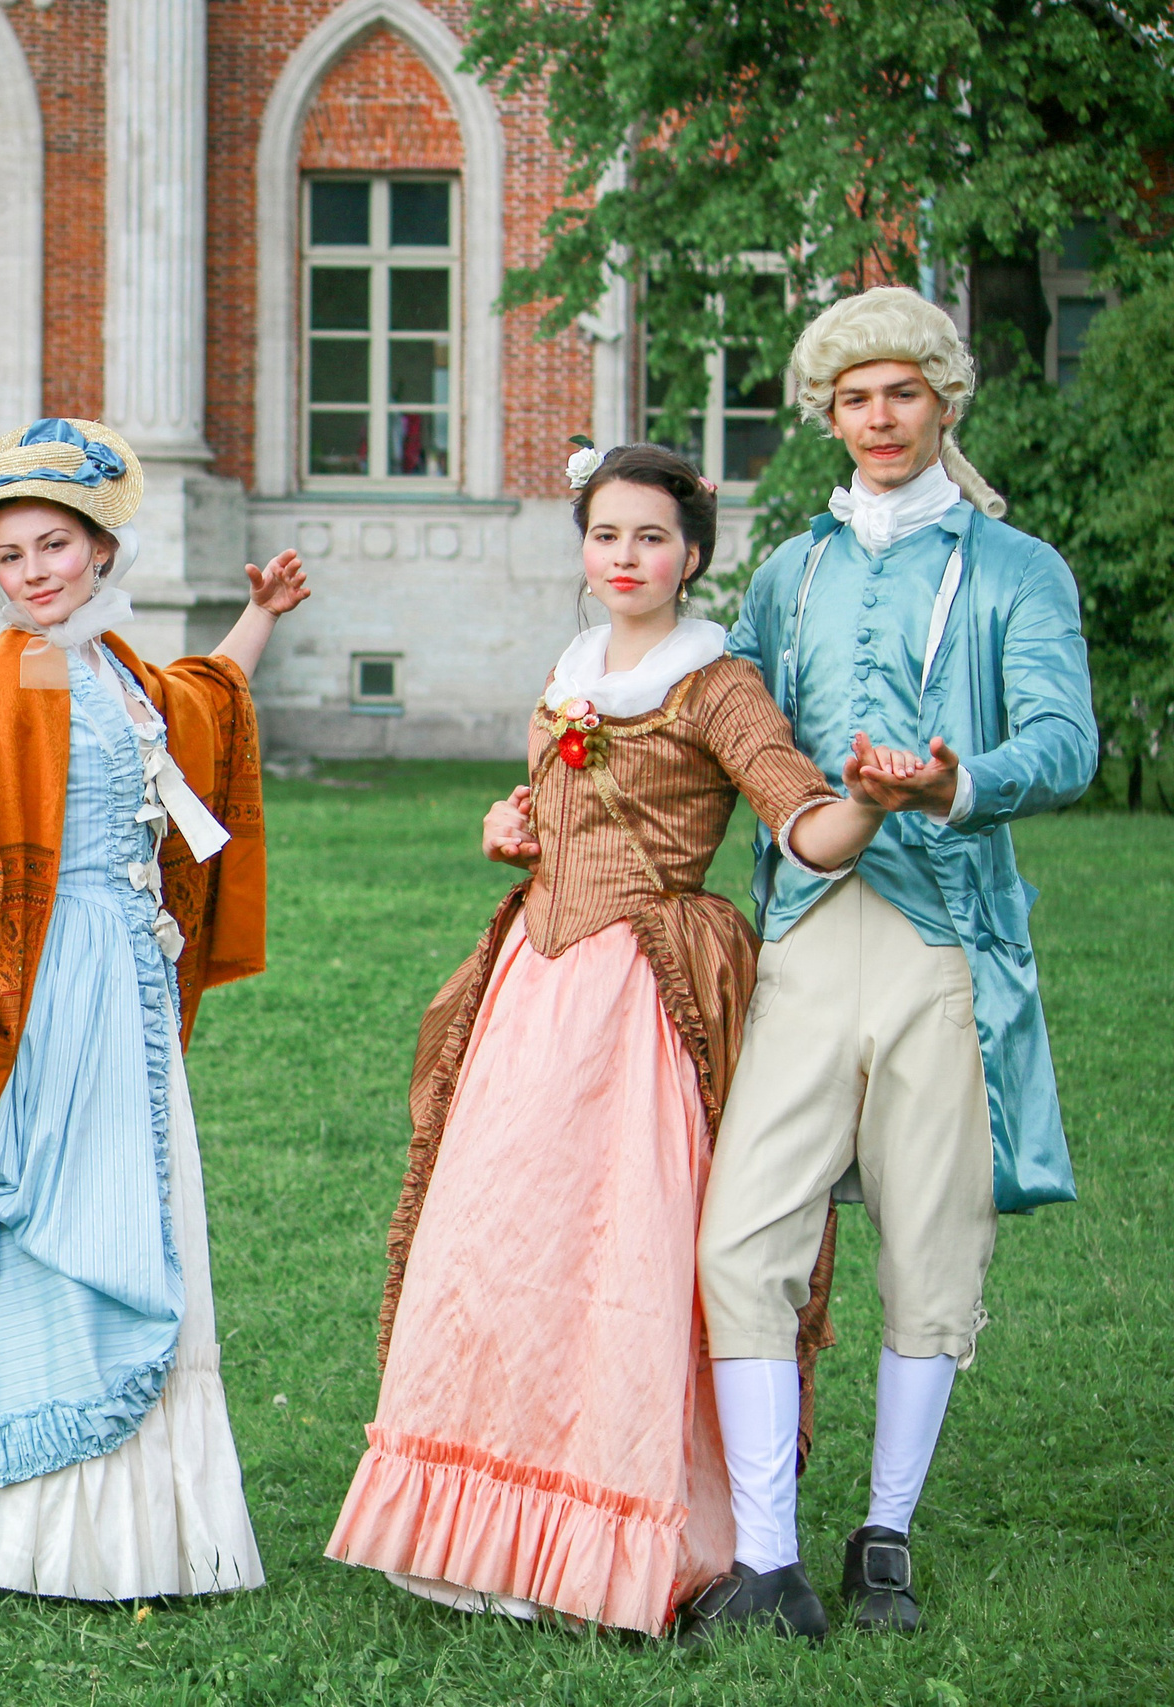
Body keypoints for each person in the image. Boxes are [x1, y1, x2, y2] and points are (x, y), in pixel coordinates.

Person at [327, 443, 905, 1635]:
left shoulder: (715, 682)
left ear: (692, 554)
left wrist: (868, 805)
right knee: (496, 1241)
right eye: (605, 536)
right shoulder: (571, 667)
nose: (625, 557)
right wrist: (515, 822)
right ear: (584, 553)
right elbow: (554, 807)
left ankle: (623, 1529)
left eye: (650, 537)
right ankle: (490, 1534)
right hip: (533, 987)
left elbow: (798, 819)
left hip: (640, 1000)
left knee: (618, 1259)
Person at [681, 287, 1096, 1642]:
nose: (879, 415)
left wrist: (957, 776)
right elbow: (725, 720)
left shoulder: (1019, 567)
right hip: (805, 930)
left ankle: (886, 1535)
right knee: (743, 1235)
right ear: (827, 414)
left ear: (943, 400)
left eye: (902, 390)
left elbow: (1067, 741)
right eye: (854, 396)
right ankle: (764, 1558)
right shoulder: (788, 571)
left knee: (934, 1241)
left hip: (946, 940)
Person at [0, 417, 302, 1601]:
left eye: (54, 545)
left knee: (130, 1195)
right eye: (10, 556)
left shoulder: (109, 663)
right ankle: (10, 1526)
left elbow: (197, 715)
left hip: (128, 980)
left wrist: (260, 616)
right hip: (54, 981)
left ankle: (120, 1529)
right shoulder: (21, 671)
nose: (33, 572)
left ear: (102, 549)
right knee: (58, 1207)